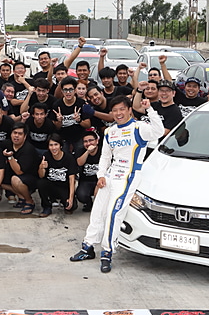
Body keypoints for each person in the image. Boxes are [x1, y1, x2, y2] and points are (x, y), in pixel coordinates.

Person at [70, 95, 163, 273]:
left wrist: (149, 109)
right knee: (98, 210)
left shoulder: (139, 128)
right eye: (115, 110)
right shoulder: (110, 131)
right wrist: (101, 175)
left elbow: (158, 131)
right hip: (110, 176)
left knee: (114, 214)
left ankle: (107, 252)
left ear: (129, 110)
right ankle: (88, 246)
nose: (118, 113)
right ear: (111, 112)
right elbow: (105, 156)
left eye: (122, 109)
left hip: (128, 177)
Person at [1, 122, 40, 215]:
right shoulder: (7, 143)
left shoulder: (28, 149)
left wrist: (10, 157)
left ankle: (29, 201)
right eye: (14, 133)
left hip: (31, 178)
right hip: (15, 175)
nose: (16, 136)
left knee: (15, 180)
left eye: (20, 134)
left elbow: (19, 171)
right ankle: (21, 196)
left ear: (25, 136)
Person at [38, 134, 78, 217]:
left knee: (71, 206)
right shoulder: (46, 156)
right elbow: (41, 176)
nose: (53, 148)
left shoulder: (69, 158)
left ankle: (65, 202)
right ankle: (47, 207)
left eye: (56, 145)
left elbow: (72, 179)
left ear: (61, 145)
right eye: (51, 145)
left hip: (64, 187)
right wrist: (42, 167)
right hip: (51, 185)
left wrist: (70, 198)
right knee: (41, 183)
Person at [52, 77, 89, 153]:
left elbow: (88, 125)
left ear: (75, 90)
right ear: (62, 91)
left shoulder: (81, 103)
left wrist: (79, 120)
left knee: (80, 153)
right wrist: (59, 121)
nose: (68, 92)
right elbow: (56, 128)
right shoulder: (57, 105)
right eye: (65, 90)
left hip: (79, 136)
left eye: (70, 90)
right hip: (63, 138)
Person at [74, 129, 101, 212]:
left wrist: (98, 184)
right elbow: (79, 163)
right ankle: (89, 203)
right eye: (85, 141)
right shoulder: (80, 150)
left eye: (91, 140)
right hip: (86, 180)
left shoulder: (103, 151)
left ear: (97, 141)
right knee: (81, 195)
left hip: (100, 180)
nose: (88, 143)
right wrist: (88, 152)